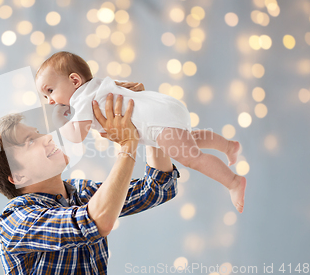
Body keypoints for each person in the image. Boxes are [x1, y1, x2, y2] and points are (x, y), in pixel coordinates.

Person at [0, 94, 179, 275]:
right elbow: (94, 221)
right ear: (18, 176)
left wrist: (149, 123)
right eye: (29, 141)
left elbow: (156, 190)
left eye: (38, 133)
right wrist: (128, 146)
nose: (47, 137)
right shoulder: (15, 220)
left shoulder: (80, 192)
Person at [35, 51, 246, 213]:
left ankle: (233, 181)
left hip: (155, 122)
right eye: (46, 98)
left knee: (191, 158)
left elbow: (76, 135)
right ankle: (229, 145)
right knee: (189, 140)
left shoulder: (80, 99)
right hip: (162, 109)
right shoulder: (96, 86)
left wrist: (61, 122)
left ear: (74, 81)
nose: (50, 101)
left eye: (50, 91)